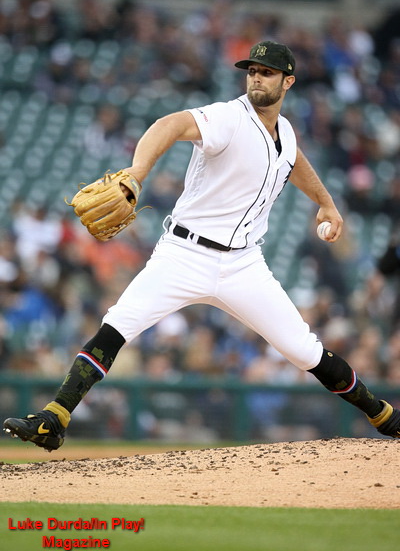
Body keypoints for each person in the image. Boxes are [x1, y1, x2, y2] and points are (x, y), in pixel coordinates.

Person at [4, 40, 400, 450]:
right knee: (118, 325)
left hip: (244, 264)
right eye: (252, 71)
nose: (256, 78)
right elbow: (170, 125)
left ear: (288, 82)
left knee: (305, 351)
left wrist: (326, 202)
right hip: (184, 254)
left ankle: (385, 416)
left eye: (267, 72)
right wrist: (137, 172)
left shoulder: (284, 131)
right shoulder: (229, 117)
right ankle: (54, 418)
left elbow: (293, 160)